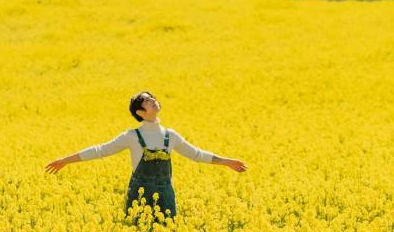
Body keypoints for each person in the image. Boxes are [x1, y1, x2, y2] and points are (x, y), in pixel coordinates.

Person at [45, 91, 247, 221]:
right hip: (139, 195)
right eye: (148, 101)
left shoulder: (171, 136)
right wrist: (65, 161)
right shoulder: (132, 136)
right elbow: (100, 150)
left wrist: (227, 162)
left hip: (165, 194)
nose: (154, 101)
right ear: (141, 112)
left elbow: (196, 154)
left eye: (153, 98)